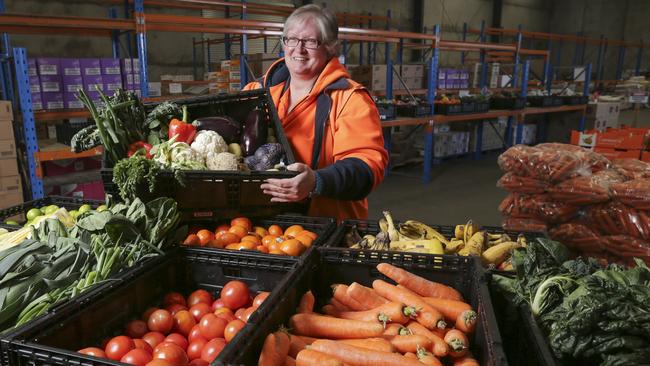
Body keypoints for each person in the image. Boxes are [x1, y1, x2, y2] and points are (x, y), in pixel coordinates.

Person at [244, 4, 388, 221]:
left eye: (310, 42)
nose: (298, 50)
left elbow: (366, 167)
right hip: (265, 224)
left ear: (330, 47)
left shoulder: (349, 98)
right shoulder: (258, 91)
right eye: (291, 39)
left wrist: (316, 181)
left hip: (327, 226)